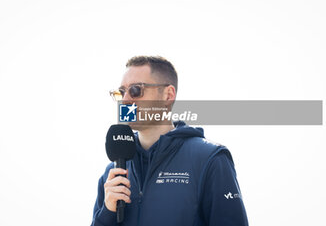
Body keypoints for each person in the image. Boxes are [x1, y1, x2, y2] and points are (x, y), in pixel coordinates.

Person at [91, 56, 249, 226]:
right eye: (121, 92)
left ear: (168, 95)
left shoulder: (209, 158)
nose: (126, 99)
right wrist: (107, 212)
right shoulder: (114, 173)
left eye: (136, 90)